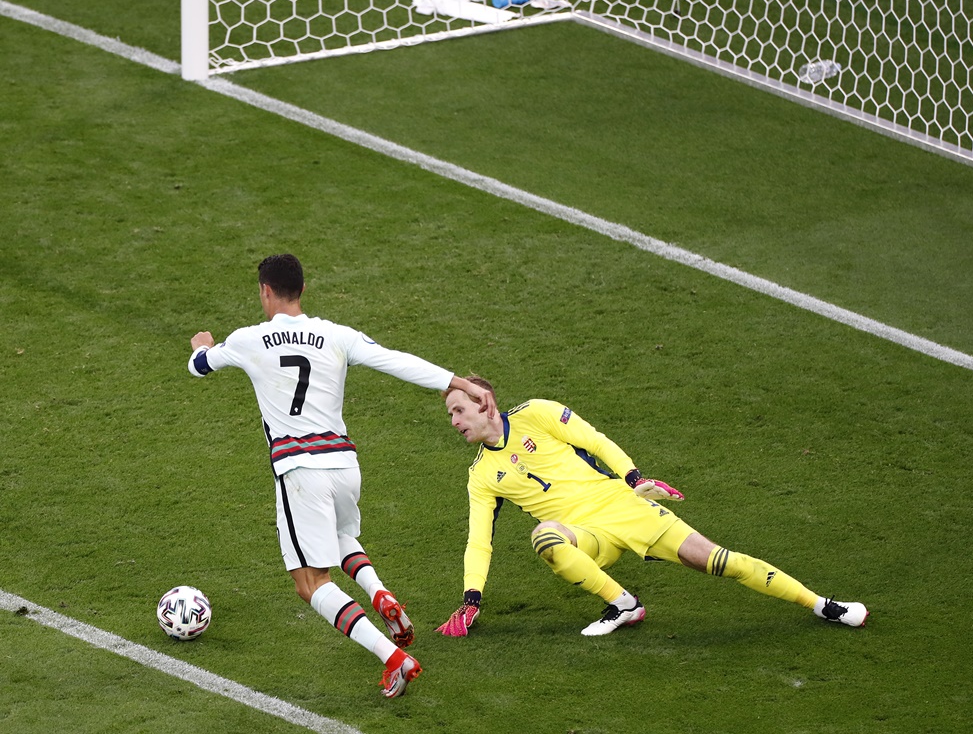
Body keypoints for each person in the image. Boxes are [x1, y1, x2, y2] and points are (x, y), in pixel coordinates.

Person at [187, 254, 495, 698]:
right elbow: (396, 360)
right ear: (303, 291)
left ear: (265, 291)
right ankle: (381, 595)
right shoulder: (336, 335)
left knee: (311, 584)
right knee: (341, 536)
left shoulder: (248, 340)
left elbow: (199, 367)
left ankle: (394, 658)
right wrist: (460, 383)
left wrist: (202, 344)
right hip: (345, 465)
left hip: (300, 471)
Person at [436, 376, 867, 639]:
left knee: (721, 562)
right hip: (588, 537)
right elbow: (479, 540)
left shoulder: (538, 413)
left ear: (484, 401)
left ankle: (823, 604)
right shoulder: (480, 475)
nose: (454, 422)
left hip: (624, 507)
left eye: (459, 410)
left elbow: (596, 441)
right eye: (451, 414)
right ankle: (623, 604)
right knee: (545, 536)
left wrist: (635, 478)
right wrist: (471, 598)